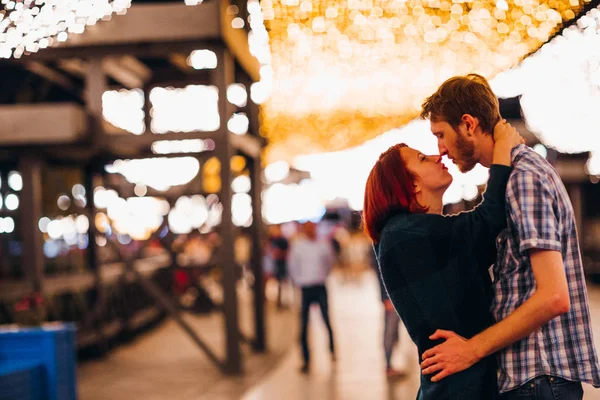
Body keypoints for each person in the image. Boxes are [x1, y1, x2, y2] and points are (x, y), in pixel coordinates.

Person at [418, 74, 600, 399]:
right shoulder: (517, 174)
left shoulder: (523, 179)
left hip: (538, 377)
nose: (440, 150)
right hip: (535, 378)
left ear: (469, 124)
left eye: (441, 134)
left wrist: (471, 350)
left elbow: (553, 296)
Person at [363, 120, 522, 399]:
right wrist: (503, 152)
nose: (438, 156)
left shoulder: (418, 233)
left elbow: (481, 243)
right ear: (411, 184)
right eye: (423, 159)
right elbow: (487, 221)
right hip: (458, 387)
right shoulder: (402, 233)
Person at [288, 221, 336, 374]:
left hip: (320, 285)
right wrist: (298, 281)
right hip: (306, 287)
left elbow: (330, 263)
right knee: (303, 325)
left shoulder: (323, 245)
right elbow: (293, 266)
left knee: (326, 320)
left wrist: (323, 276)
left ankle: (332, 350)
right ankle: (306, 359)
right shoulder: (298, 246)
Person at [370, 248, 405, 378]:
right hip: (391, 297)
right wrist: (385, 297)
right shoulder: (381, 242)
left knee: (392, 331)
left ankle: (389, 364)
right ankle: (388, 365)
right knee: (390, 331)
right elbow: (380, 273)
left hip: (397, 295)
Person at [268, 224, 289, 308]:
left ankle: (282, 301)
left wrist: (279, 254)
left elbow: (287, 252)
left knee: (282, 283)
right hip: (274, 264)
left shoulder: (283, 240)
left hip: (282, 264)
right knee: (276, 283)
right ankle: (278, 300)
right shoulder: (272, 240)